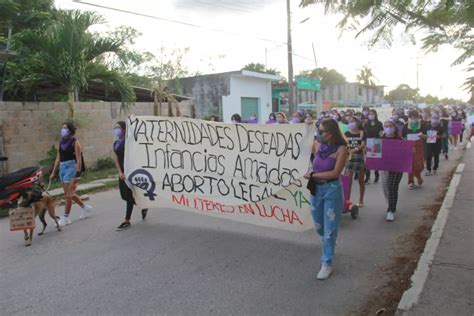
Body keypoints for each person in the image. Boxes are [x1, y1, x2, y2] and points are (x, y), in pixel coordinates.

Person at [305, 118, 348, 280]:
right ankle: (329, 243)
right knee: (319, 225)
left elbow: (335, 173)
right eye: (317, 130)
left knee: (330, 228)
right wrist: (306, 126)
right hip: (316, 189)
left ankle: (327, 262)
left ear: (330, 134)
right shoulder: (317, 146)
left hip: (332, 190)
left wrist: (313, 175)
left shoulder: (341, 149)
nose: (318, 134)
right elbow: (299, 141)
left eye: (321, 131)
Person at [50, 122, 92, 226]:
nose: (62, 130)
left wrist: (78, 173)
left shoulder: (75, 142)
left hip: (71, 168)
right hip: (62, 168)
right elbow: (58, 158)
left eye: (65, 128)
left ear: (70, 130)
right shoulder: (60, 143)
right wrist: (53, 172)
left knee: (68, 195)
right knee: (69, 193)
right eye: (62, 127)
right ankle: (85, 208)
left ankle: (65, 217)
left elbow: (78, 159)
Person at [112, 121, 148, 231]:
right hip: (122, 172)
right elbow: (116, 159)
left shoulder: (129, 142)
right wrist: (120, 172)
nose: (116, 130)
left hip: (130, 172)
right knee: (124, 196)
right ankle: (143, 205)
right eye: (115, 127)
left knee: (128, 195)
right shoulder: (116, 143)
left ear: (124, 129)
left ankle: (126, 220)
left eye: (118, 128)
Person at [380, 120, 403, 222]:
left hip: (397, 167)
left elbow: (406, 154)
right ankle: (391, 203)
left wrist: (411, 151)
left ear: (394, 128)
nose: (388, 128)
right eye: (386, 126)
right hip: (385, 167)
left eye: (390, 126)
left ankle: (390, 210)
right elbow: (374, 153)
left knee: (392, 187)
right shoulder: (380, 140)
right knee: (386, 188)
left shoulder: (400, 140)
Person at [344, 116, 366, 207]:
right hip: (349, 158)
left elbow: (363, 144)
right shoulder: (346, 133)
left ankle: (361, 200)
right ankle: (347, 200)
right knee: (348, 180)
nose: (351, 123)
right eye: (349, 121)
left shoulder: (362, 133)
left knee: (361, 180)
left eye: (353, 121)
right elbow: (344, 144)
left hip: (359, 157)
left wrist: (355, 149)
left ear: (358, 123)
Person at [403, 110, 426, 189]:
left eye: (415, 117)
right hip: (409, 146)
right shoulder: (406, 126)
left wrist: (423, 136)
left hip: (419, 146)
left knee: (419, 165)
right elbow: (402, 137)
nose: (413, 119)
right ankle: (411, 181)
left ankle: (418, 177)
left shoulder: (422, 125)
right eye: (412, 117)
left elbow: (427, 136)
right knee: (410, 164)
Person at [364, 109, 383, 184]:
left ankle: (376, 175)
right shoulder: (366, 124)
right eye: (369, 114)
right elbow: (365, 135)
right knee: (368, 161)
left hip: (377, 142)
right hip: (368, 143)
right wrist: (364, 143)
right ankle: (367, 177)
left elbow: (381, 133)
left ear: (375, 115)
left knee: (376, 160)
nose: (371, 115)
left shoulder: (379, 123)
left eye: (372, 114)